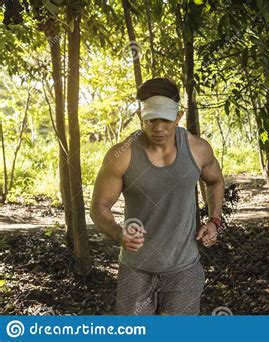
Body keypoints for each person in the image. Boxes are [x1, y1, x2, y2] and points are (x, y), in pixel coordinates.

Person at [90, 77, 225, 315]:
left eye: (165, 119)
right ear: (142, 117)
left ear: (179, 116)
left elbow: (215, 181)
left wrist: (214, 221)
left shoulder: (197, 148)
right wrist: (118, 233)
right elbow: (99, 206)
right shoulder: (122, 154)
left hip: (184, 269)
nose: (159, 128)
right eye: (151, 120)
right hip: (136, 269)